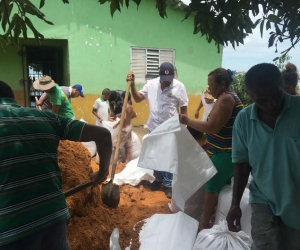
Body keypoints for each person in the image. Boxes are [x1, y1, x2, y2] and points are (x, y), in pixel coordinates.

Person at [0, 81, 112, 250]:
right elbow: (103, 134)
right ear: (12, 98)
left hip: (10, 231)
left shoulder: (58, 97)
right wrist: (102, 171)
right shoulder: (47, 118)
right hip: (54, 219)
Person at [226, 63, 300, 250]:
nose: (272, 104)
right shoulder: (244, 121)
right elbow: (242, 164)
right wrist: (235, 204)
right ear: (250, 95)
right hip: (263, 198)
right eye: (262, 100)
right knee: (264, 245)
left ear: (281, 84)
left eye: (276, 95)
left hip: (296, 201)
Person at [179, 68, 243, 230]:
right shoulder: (224, 97)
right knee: (221, 186)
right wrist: (208, 144)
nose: (209, 89)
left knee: (212, 186)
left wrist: (187, 120)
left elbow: (212, 127)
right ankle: (215, 218)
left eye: (212, 86)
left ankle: (204, 223)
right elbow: (223, 129)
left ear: (222, 84)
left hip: (225, 153)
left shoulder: (226, 99)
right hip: (221, 150)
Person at [127, 62, 188, 199]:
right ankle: (158, 179)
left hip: (170, 128)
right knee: (155, 155)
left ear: (174, 75)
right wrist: (132, 85)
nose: (166, 83)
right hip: (153, 126)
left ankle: (167, 184)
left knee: (168, 156)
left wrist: (182, 128)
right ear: (159, 74)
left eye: (169, 80)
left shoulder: (179, 87)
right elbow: (137, 99)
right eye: (164, 79)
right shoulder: (151, 84)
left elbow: (184, 109)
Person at [113, 92, 137, 164]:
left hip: (125, 129)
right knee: (127, 145)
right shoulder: (130, 106)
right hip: (129, 126)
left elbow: (124, 118)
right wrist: (121, 115)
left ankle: (117, 161)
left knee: (116, 144)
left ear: (123, 98)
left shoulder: (125, 106)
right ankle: (127, 161)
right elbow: (134, 115)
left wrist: (117, 124)